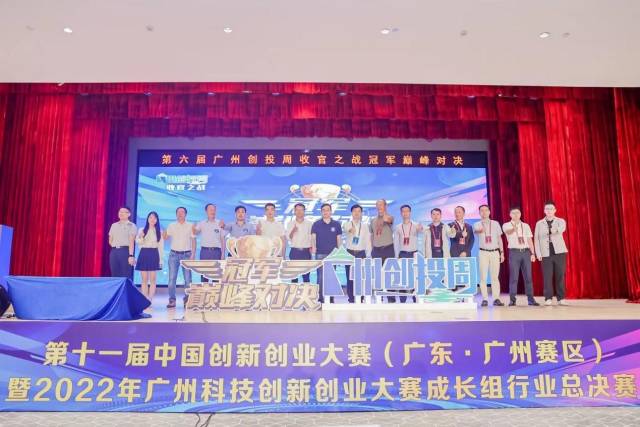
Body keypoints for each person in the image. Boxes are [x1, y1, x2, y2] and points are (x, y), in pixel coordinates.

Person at [502, 207, 539, 306]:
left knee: (528, 277)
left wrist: (533, 253)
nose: (516, 215)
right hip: (514, 252)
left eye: (517, 213)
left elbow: (529, 240)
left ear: (520, 214)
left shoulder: (525, 225)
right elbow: (508, 232)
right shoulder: (506, 225)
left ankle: (531, 299)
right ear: (510, 215)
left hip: (526, 252)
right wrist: (513, 229)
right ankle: (512, 299)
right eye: (513, 213)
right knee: (514, 277)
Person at [534, 201, 569, 306]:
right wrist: (538, 253)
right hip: (545, 252)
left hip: (559, 252)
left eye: (551, 209)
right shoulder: (539, 223)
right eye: (547, 209)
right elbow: (536, 239)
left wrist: (550, 231)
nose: (549, 211)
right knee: (547, 276)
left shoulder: (560, 221)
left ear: (555, 210)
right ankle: (548, 298)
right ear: (544, 211)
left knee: (560, 275)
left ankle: (561, 298)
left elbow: (561, 229)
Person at [163, 206, 195, 308]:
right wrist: (163, 232)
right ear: (176, 214)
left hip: (187, 254)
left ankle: (187, 300)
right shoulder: (171, 225)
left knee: (188, 279)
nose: (180, 214)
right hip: (174, 254)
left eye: (182, 212)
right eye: (178, 212)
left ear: (186, 214)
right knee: (172, 279)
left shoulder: (190, 225)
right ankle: (172, 300)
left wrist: (193, 254)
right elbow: (165, 238)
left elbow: (193, 240)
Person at [473, 204, 505, 307]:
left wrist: (502, 252)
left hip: (495, 252)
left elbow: (499, 239)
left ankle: (496, 298)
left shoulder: (495, 223)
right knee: (483, 276)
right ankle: (485, 299)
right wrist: (480, 230)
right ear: (479, 213)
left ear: (489, 212)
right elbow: (476, 231)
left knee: (495, 276)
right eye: (481, 211)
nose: (484, 212)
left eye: (486, 210)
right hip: (483, 252)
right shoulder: (477, 224)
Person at [311, 203, 342, 303]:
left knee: (332, 277)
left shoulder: (336, 224)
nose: (325, 212)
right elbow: (313, 238)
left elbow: (339, 240)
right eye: (323, 210)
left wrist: (339, 253)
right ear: (321, 212)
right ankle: (320, 298)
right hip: (320, 254)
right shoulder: (316, 224)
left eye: (327, 210)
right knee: (320, 277)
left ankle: (331, 298)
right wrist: (314, 249)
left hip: (333, 255)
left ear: (331, 211)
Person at [393, 204, 423, 302]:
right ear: (401, 213)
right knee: (403, 277)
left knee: (415, 276)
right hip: (403, 254)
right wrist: (396, 256)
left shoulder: (416, 225)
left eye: (407, 211)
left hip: (414, 254)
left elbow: (421, 232)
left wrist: (420, 229)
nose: (405, 213)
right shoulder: (398, 227)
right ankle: (402, 299)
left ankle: (415, 298)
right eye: (403, 211)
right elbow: (396, 243)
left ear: (410, 213)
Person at [344, 204, 372, 303]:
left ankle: (361, 298)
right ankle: (351, 298)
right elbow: (347, 230)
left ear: (361, 213)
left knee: (361, 277)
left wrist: (368, 255)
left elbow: (368, 241)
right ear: (352, 213)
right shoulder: (347, 224)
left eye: (359, 211)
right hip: (350, 253)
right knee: (350, 277)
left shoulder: (365, 226)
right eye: (354, 211)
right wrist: (351, 230)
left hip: (361, 253)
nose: (356, 213)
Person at [370, 199, 396, 302]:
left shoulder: (390, 217)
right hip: (376, 250)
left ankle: (391, 298)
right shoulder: (373, 220)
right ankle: (378, 297)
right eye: (377, 205)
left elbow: (388, 220)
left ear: (385, 206)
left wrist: (384, 215)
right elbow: (372, 235)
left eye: (381, 204)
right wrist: (372, 248)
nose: (379, 206)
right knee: (377, 275)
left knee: (389, 274)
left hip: (388, 248)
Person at [135, 211, 163, 304]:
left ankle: (150, 299)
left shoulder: (159, 231)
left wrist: (161, 260)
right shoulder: (142, 229)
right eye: (150, 217)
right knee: (144, 279)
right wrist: (141, 236)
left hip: (154, 253)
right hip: (144, 253)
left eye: (154, 218)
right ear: (147, 219)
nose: (152, 219)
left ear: (157, 220)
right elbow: (138, 242)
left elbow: (160, 247)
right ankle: (144, 299)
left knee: (153, 279)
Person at [193, 203, 225, 282]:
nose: (212, 211)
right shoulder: (202, 223)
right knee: (204, 276)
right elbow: (195, 233)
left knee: (216, 276)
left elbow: (222, 239)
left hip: (216, 252)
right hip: (205, 252)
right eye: (210, 210)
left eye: (214, 210)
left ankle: (216, 290)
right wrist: (193, 228)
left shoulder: (219, 223)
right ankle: (204, 289)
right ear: (206, 211)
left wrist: (223, 254)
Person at [286, 203, 313, 283]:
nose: (299, 212)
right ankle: (294, 291)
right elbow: (288, 238)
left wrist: (312, 249)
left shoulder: (309, 224)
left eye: (301, 210)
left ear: (304, 211)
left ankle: (306, 291)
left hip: (306, 252)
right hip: (295, 251)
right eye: (297, 210)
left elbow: (312, 238)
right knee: (294, 277)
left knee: (306, 277)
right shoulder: (290, 223)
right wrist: (293, 231)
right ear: (294, 211)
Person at [108, 206, 137, 278]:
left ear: (129, 214)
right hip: (114, 251)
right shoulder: (114, 225)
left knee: (125, 274)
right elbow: (110, 240)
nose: (121, 213)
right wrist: (116, 245)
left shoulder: (131, 225)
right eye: (120, 212)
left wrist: (131, 256)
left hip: (125, 251)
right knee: (114, 274)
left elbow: (131, 242)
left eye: (123, 212)